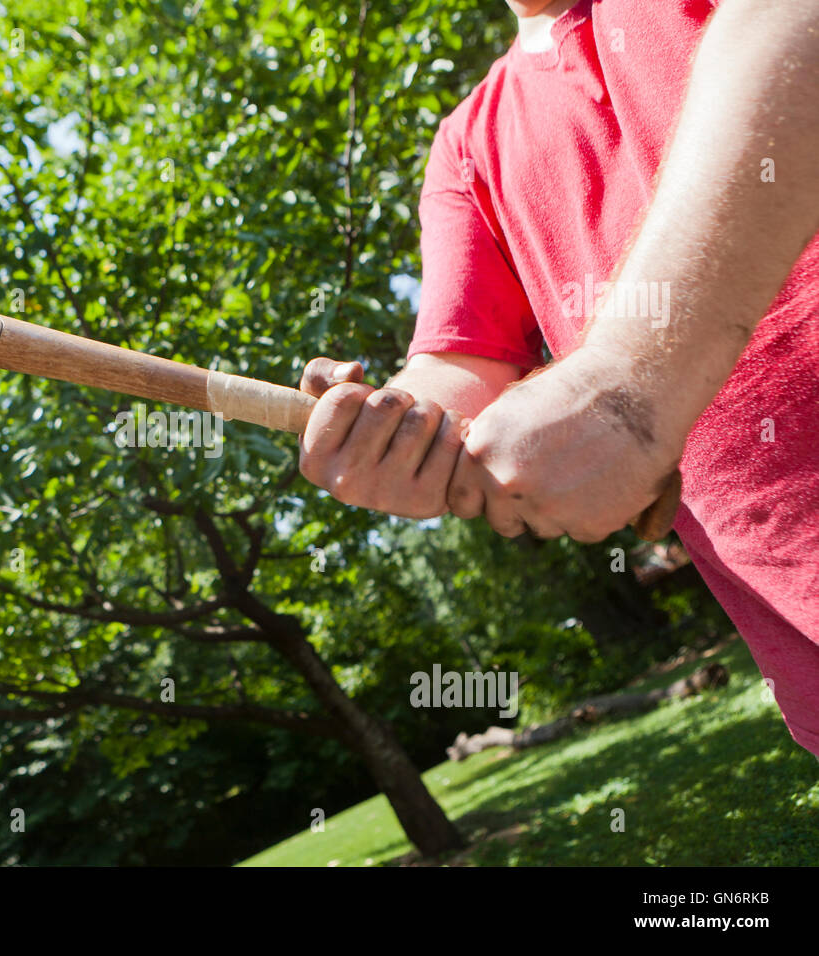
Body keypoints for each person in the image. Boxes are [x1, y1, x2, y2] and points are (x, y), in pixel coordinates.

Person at [298, 0, 819, 754]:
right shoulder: (466, 146)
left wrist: (626, 385)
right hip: (787, 601)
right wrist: (394, 433)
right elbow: (455, 369)